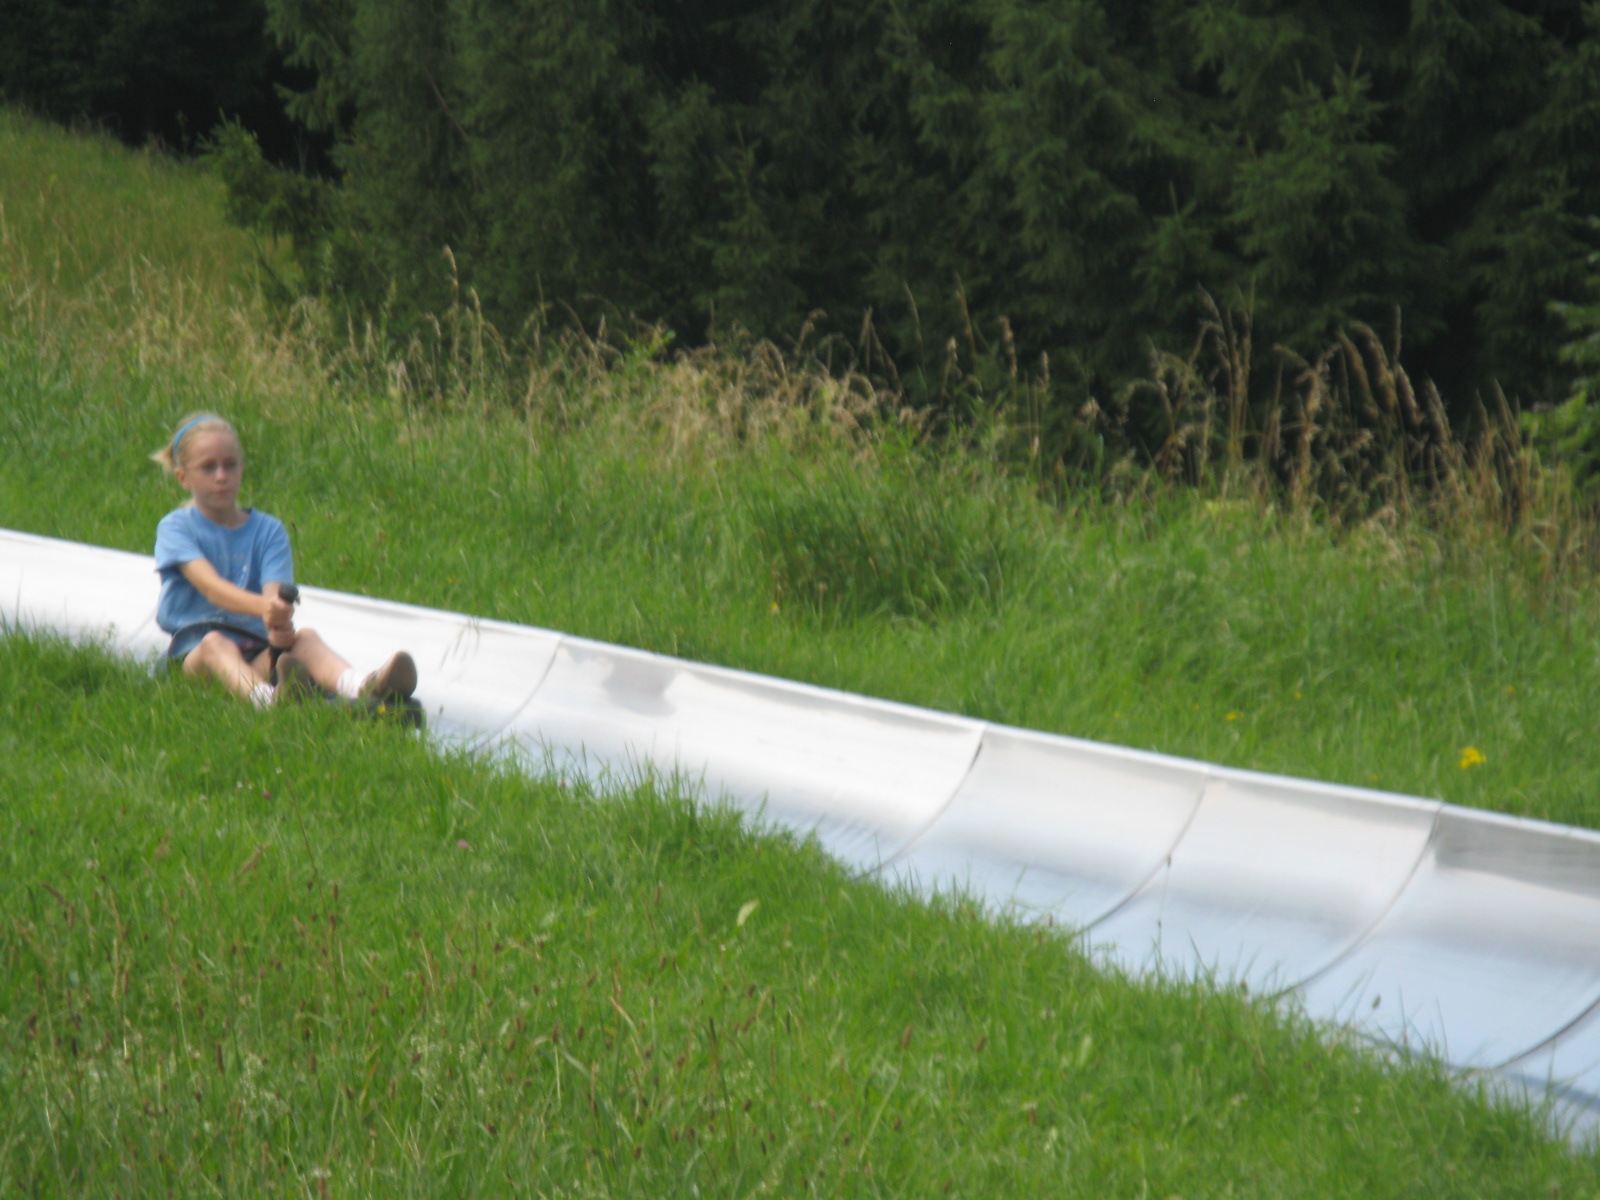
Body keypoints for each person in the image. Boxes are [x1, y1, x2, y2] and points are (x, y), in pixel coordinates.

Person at [151, 412, 417, 710]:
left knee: (306, 638)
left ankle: (363, 687)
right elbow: (211, 588)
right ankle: (268, 702)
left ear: (242, 468)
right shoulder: (176, 528)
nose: (221, 476)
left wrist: (277, 618)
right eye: (208, 467)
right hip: (195, 655)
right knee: (216, 643)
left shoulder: (268, 530)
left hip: (255, 653)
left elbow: (273, 594)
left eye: (230, 465)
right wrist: (265, 608)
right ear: (183, 478)